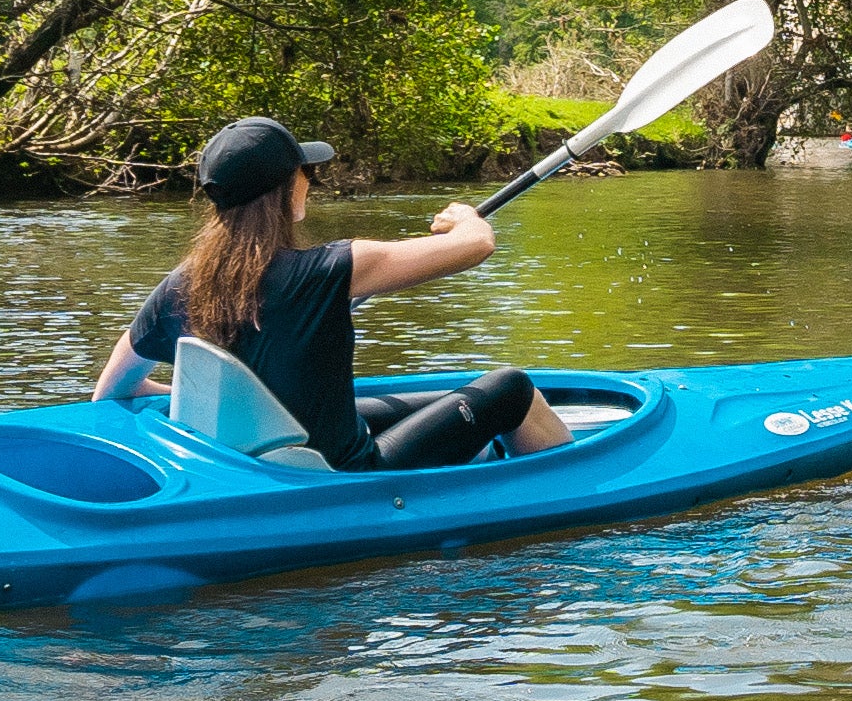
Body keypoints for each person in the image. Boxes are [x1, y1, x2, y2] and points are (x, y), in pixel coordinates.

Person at [90, 116, 568, 466]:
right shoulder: (329, 269)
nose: (310, 182)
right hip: (346, 468)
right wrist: (464, 216)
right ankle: (565, 489)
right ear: (286, 187)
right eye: (306, 172)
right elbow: (477, 245)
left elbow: (112, 391)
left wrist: (231, 405)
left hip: (255, 457)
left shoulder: (179, 285)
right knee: (511, 389)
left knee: (433, 399)